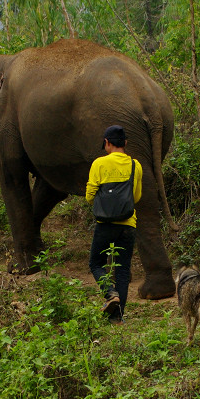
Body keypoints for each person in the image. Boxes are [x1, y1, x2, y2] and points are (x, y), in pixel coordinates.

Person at [86, 125, 143, 324]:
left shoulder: (99, 164)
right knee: (123, 269)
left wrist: (105, 204)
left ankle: (110, 294)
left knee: (96, 263)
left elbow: (89, 196)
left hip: (105, 224)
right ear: (125, 143)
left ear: (107, 143)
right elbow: (136, 196)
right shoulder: (135, 165)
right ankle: (117, 318)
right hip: (128, 224)